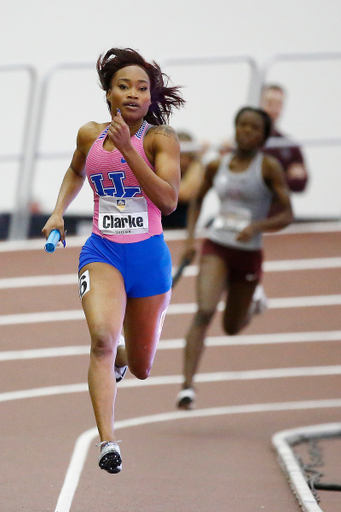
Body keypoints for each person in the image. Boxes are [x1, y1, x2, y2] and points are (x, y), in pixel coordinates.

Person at [42, 47, 184, 473]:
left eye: (142, 88)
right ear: (109, 93)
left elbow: (169, 201)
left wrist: (129, 150)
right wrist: (57, 211)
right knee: (102, 339)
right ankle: (108, 442)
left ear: (151, 98)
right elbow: (75, 171)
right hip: (102, 251)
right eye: (124, 86)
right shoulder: (90, 134)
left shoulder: (161, 139)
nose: (133, 94)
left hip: (149, 259)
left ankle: (126, 359)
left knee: (140, 367)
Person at [176, 106, 293, 410]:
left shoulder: (268, 168)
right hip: (218, 246)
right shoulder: (218, 165)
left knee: (230, 326)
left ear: (264, 136)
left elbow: (287, 214)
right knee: (204, 310)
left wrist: (258, 226)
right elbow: (198, 200)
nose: (246, 131)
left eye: (254, 128)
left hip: (249, 254)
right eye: (242, 125)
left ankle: (254, 304)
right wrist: (190, 239)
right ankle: (187, 386)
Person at [260, 84, 309, 193]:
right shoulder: (243, 141)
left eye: (278, 104)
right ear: (259, 103)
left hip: (276, 207)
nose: (274, 109)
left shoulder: (289, 145)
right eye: (269, 103)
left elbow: (300, 184)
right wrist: (283, 176)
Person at [162, 131, 205, 229]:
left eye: (188, 156)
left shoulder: (195, 170)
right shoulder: (160, 170)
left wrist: (198, 159)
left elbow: (189, 192)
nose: (183, 161)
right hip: (160, 231)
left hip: (181, 230)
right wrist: (199, 159)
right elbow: (182, 193)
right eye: (178, 155)